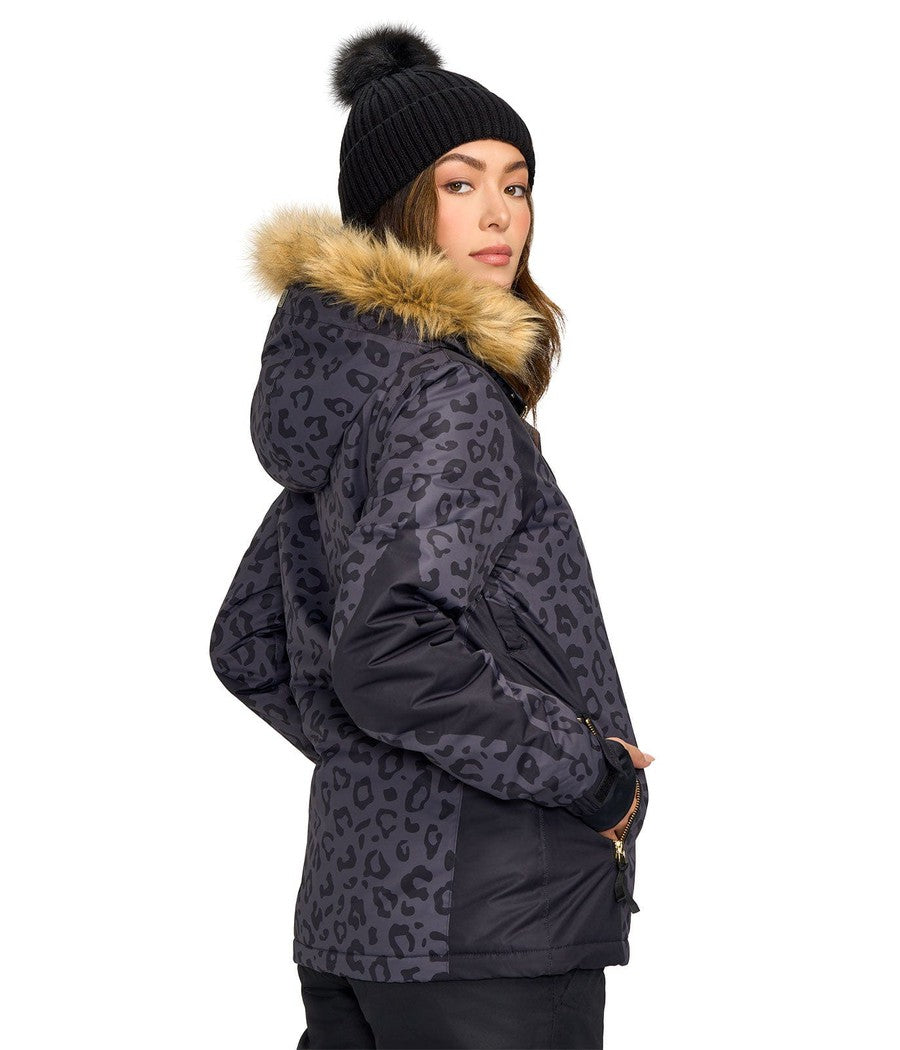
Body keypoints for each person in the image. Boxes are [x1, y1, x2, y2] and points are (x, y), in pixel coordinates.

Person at [209, 22, 655, 1050]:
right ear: (399, 207)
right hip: (491, 935)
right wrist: (591, 772)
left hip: (356, 916)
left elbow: (250, 644)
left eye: (517, 183)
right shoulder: (446, 396)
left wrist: (383, 767)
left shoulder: (353, 397)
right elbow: (389, 649)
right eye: (461, 184)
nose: (502, 214)